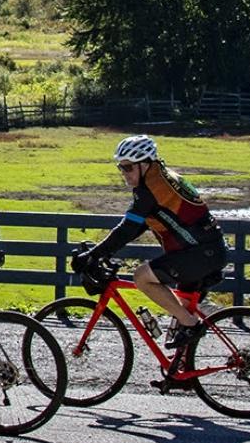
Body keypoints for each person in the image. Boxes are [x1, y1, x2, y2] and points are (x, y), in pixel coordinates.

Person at [79, 135, 227, 364]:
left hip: (198, 254)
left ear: (144, 164)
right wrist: (103, 251)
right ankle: (183, 374)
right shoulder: (163, 179)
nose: (124, 173)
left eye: (128, 167)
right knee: (181, 318)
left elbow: (128, 229)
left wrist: (94, 255)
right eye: (121, 167)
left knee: (142, 278)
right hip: (207, 250)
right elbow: (138, 226)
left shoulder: (150, 190)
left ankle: (191, 325)